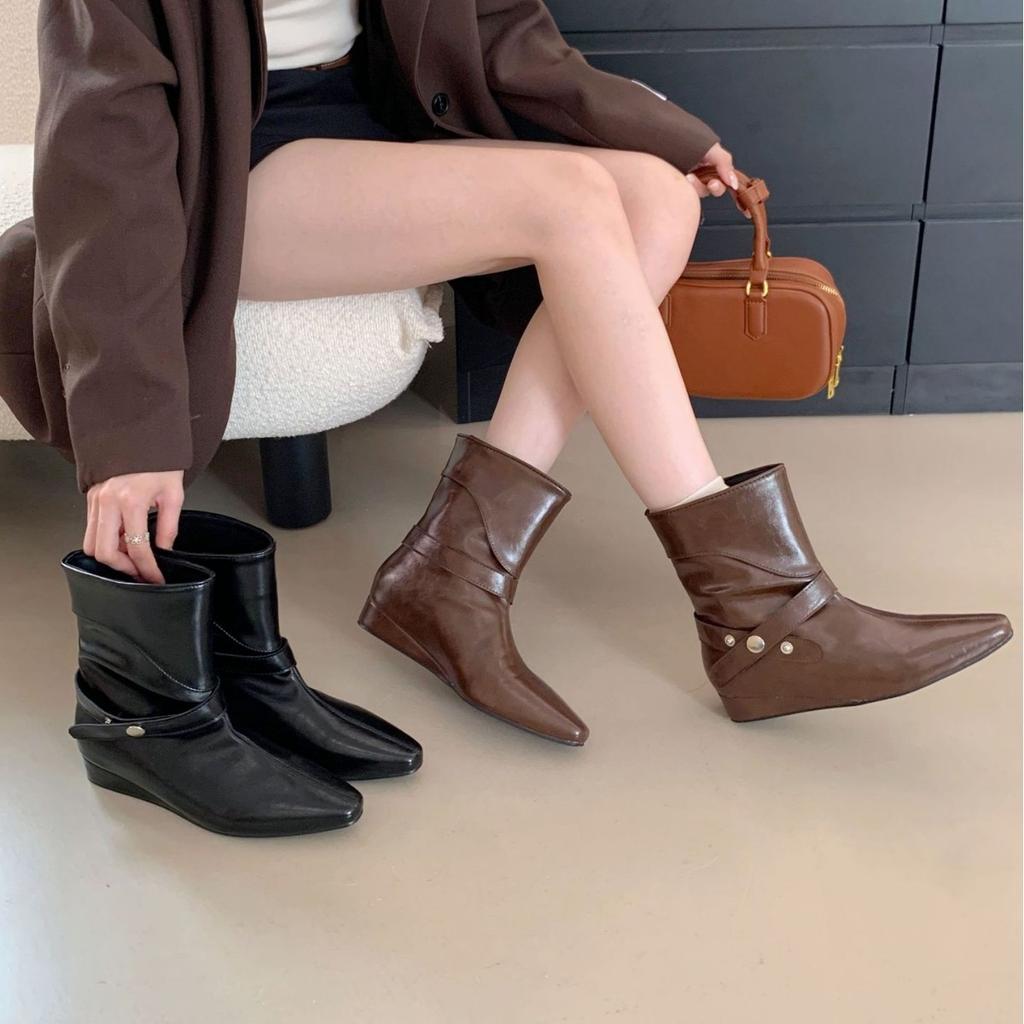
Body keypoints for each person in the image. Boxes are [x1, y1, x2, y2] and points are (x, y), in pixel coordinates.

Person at [0, 0, 1014, 774]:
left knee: (656, 199)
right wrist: (128, 429)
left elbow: (494, 26)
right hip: (222, 172)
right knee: (568, 201)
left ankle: (451, 575)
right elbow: (104, 138)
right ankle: (761, 609)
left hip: (370, 126)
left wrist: (653, 126)